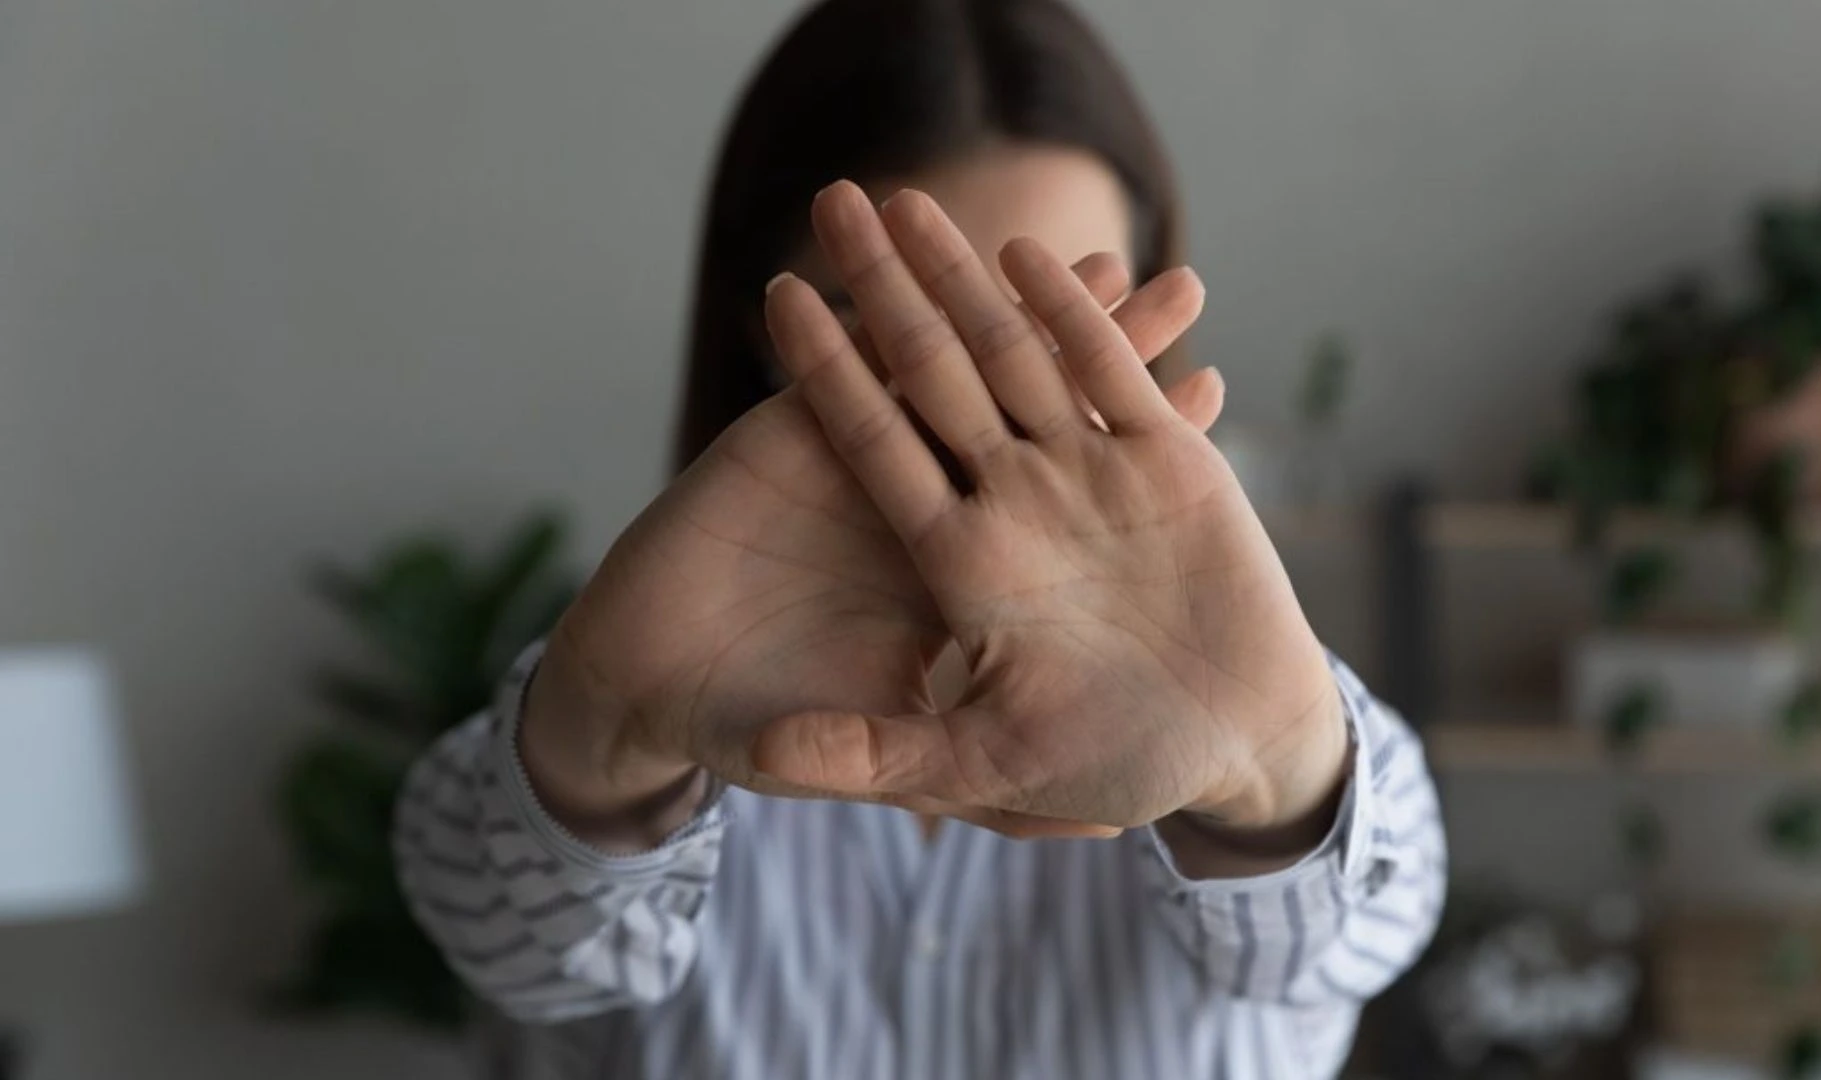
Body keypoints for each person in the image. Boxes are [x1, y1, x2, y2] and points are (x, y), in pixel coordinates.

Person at [393, 1, 1447, 1077]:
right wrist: (598, 740)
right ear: (767, 324)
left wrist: (1275, 775)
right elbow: (501, 932)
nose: (968, 396)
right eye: (890, 322)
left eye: (1052, 327)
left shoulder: (1255, 715)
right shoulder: (653, 672)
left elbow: (1360, 924)